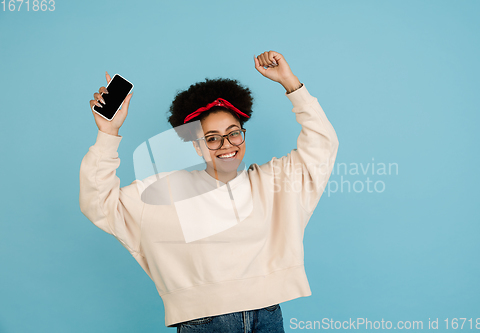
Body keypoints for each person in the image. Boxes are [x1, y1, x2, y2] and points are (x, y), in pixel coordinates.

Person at [80, 50, 340, 332]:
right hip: (204, 322)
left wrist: (292, 84)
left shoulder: (272, 183)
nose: (227, 144)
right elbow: (99, 203)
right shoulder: (167, 190)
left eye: (234, 132)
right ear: (196, 146)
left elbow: (322, 148)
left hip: (266, 315)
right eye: (212, 138)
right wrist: (107, 134)